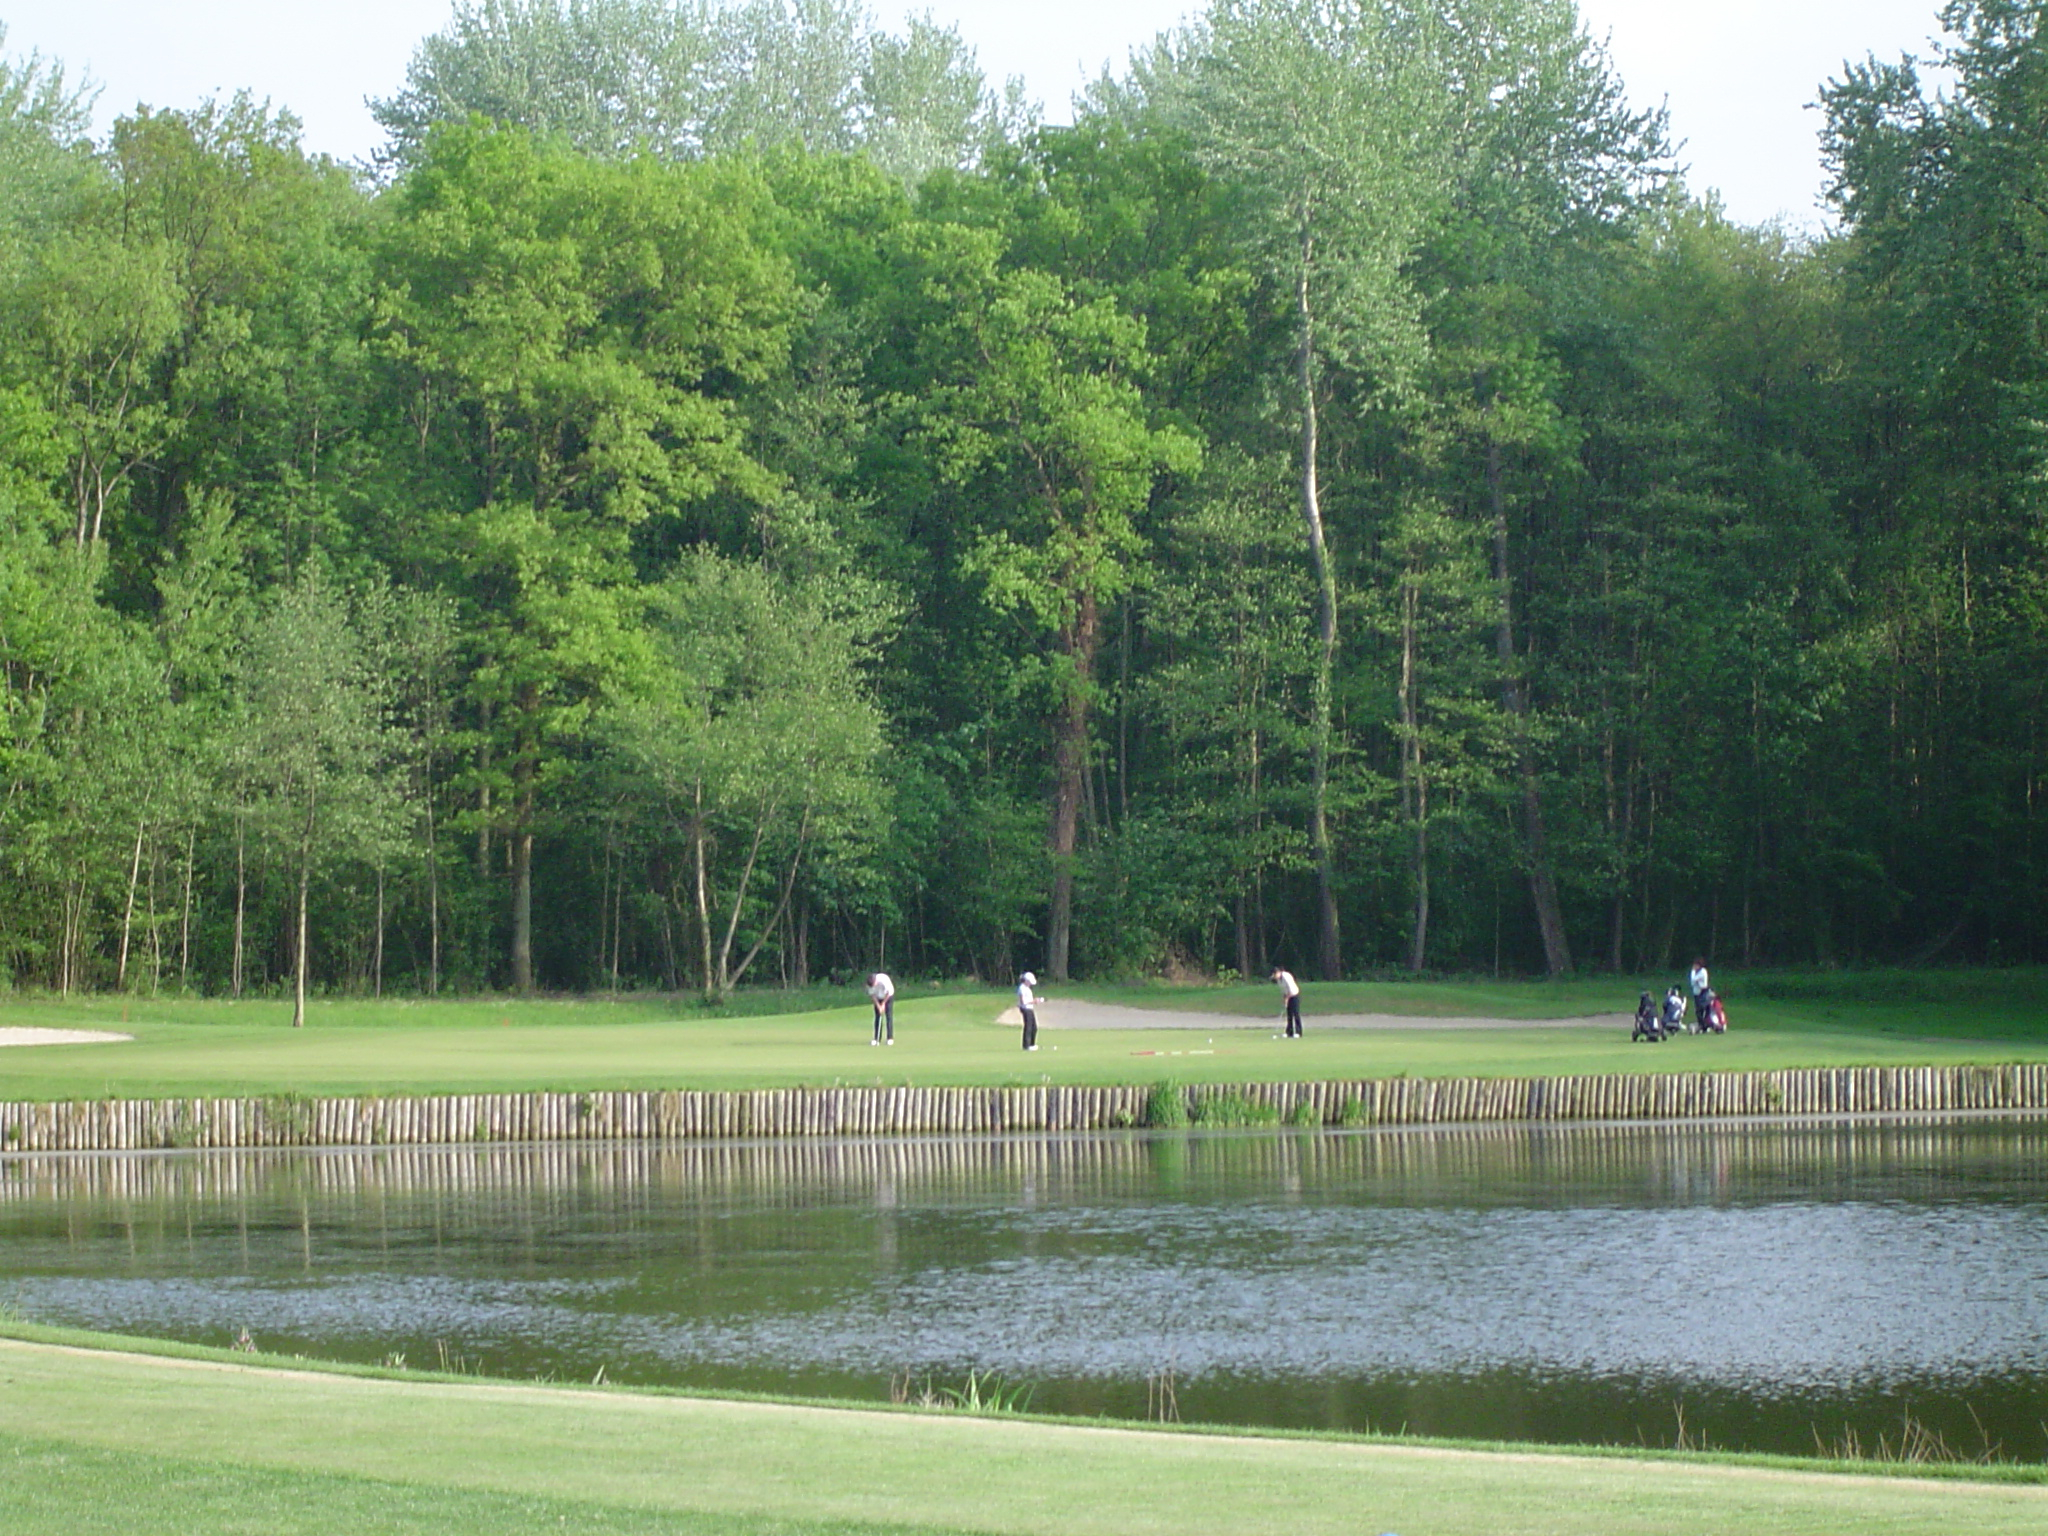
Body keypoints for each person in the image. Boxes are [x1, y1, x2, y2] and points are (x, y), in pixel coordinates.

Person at [1271, 968, 1303, 1038]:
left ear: (1278, 973)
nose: (1275, 978)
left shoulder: (1286, 976)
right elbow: (1284, 990)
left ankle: (1299, 1032)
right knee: (1289, 1014)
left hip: (1294, 995)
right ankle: (1289, 1032)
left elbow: (1290, 989)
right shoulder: (1279, 980)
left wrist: (1287, 998)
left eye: (1274, 975)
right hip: (1288, 996)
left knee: (1296, 1013)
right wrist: (1284, 998)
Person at [866, 972, 895, 1045]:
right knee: (877, 1017)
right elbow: (872, 996)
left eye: (874, 984)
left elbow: (889, 992)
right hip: (878, 998)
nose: (873, 986)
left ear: (875, 980)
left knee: (888, 1016)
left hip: (888, 996)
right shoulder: (870, 985)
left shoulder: (883, 979)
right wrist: (878, 1006)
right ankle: (876, 1038)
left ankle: (890, 1038)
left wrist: (883, 1004)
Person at [1017, 971, 1040, 1051]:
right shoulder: (1022, 988)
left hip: (1030, 1008)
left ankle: (1032, 1044)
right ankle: (1027, 1045)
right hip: (1025, 1009)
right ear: (1026, 980)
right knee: (1028, 1027)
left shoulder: (1027, 988)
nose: (1030, 984)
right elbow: (1023, 1001)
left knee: (1034, 1027)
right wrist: (1034, 1001)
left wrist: (1034, 1001)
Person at [1688, 958, 1711, 1030]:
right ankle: (1702, 1025)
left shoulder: (1703, 971)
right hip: (1697, 993)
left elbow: (1693, 979)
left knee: (1702, 1008)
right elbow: (1692, 982)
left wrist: (1692, 972)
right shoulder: (1696, 972)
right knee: (1698, 1011)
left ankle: (1705, 1025)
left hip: (1703, 992)